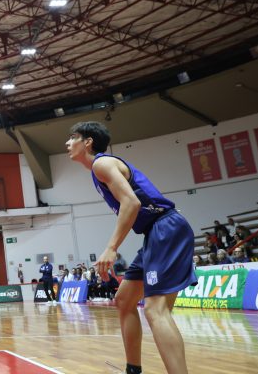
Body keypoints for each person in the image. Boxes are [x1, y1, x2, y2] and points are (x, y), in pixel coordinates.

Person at [66, 121, 197, 374]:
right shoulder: (98, 170)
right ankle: (133, 370)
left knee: (155, 310)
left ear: (88, 142)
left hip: (166, 228)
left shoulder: (102, 164)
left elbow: (131, 203)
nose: (67, 143)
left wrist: (111, 247)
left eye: (73, 137)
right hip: (154, 233)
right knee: (124, 300)